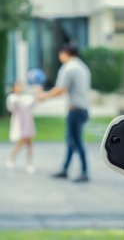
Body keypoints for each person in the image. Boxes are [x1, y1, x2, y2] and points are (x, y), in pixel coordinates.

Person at [39, 43, 91, 183]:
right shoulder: (82, 66)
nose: (59, 57)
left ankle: (84, 171)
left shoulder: (69, 68)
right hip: (83, 109)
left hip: (75, 111)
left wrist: (44, 96)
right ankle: (64, 169)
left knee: (76, 142)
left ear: (65, 53)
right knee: (71, 141)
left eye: (60, 54)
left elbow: (60, 90)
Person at [6, 82, 36, 174]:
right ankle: (11, 159)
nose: (19, 88)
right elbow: (11, 109)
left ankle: (29, 163)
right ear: (14, 88)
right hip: (19, 123)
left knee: (30, 143)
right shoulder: (12, 98)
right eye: (17, 86)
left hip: (28, 122)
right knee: (21, 143)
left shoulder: (25, 97)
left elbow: (32, 104)